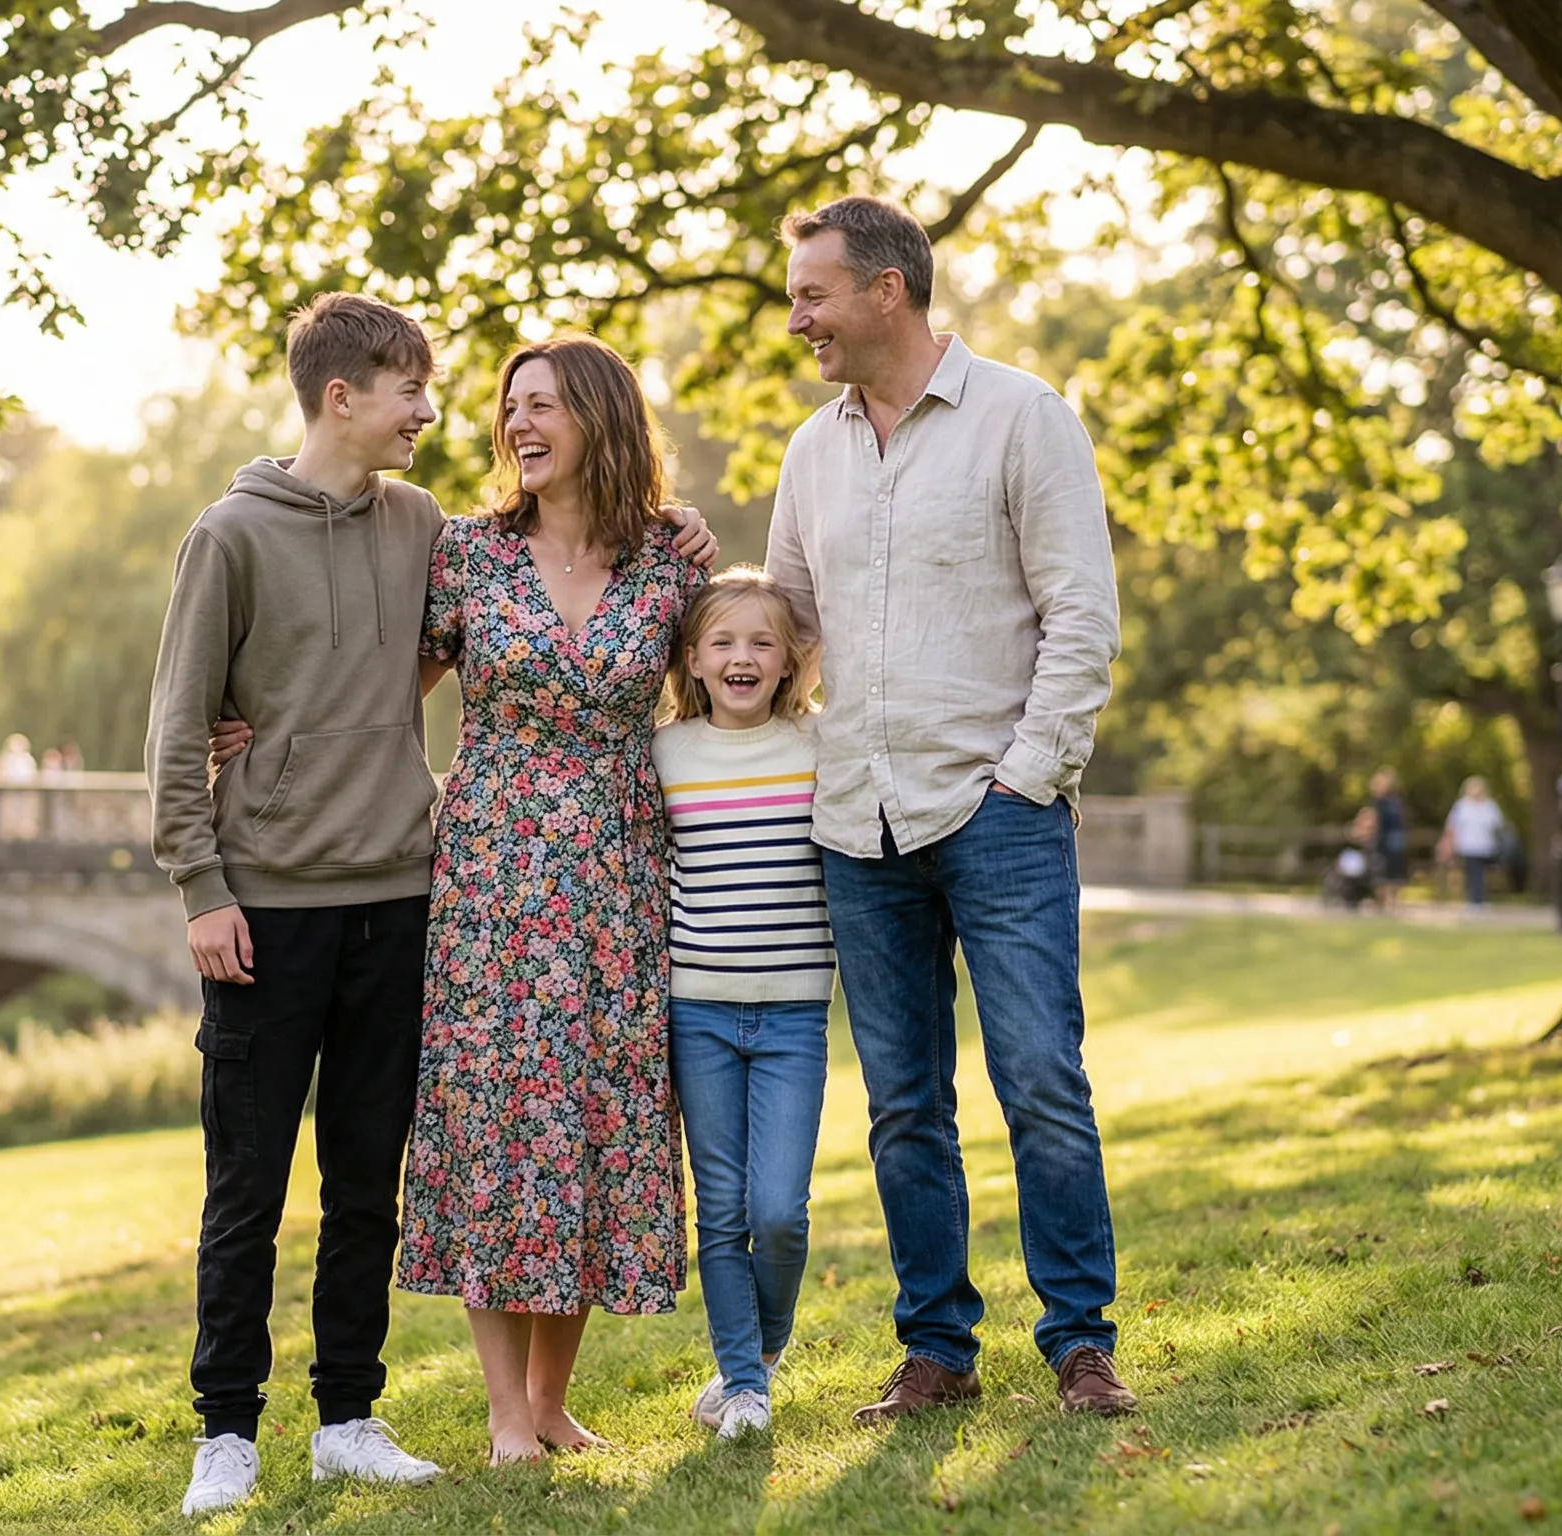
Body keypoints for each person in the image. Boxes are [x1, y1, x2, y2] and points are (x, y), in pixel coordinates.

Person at [150, 295, 715, 1516]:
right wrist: (215, 842)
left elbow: (724, 657)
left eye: (526, 402)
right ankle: (228, 1434)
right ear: (342, 395)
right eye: (424, 390)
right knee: (254, 1178)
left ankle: (353, 1414)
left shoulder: (451, 529)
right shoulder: (282, 536)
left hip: (465, 888)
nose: (455, 413)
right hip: (353, 893)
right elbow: (242, 708)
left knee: (383, 1171)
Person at [764, 195, 1135, 1423]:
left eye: (814, 293)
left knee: (1039, 1078)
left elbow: (1082, 616)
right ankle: (937, 1350)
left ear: (887, 290)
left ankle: (1079, 1342)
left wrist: (1027, 776)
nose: (798, 316)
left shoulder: (1024, 418)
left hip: (997, 812)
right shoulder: (811, 451)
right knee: (904, 1105)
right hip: (854, 823)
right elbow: (788, 632)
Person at [396, 334, 705, 1466]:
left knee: (594, 1124)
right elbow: (386, 695)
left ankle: (553, 1398)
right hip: (491, 884)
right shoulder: (466, 557)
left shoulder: (670, 563)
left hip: (621, 882)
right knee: (493, 1124)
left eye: (543, 407)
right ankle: (502, 1413)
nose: (518, 426)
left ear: (599, 419)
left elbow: (739, 677)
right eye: (508, 409)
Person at [655, 567, 831, 1442]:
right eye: (723, 642)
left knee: (780, 1212)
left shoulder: (818, 747)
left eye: (763, 642)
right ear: (692, 660)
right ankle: (743, 1386)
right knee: (720, 1209)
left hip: (796, 1013)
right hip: (700, 1012)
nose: (742, 657)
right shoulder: (665, 754)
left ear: (791, 660)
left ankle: (762, 1351)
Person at [1440, 776, 1511, 909]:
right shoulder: (1462, 806)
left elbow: (1498, 825)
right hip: (1468, 845)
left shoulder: (1489, 806)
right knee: (1473, 872)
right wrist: (1450, 844)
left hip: (1486, 846)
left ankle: (1480, 899)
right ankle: (1474, 900)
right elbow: (1452, 826)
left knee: (1481, 873)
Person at [1367, 767, 1410, 908]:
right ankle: (1384, 900)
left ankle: (1391, 900)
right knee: (1381, 870)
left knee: (1395, 870)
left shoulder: (1395, 801)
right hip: (1381, 840)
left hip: (1393, 839)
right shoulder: (1377, 803)